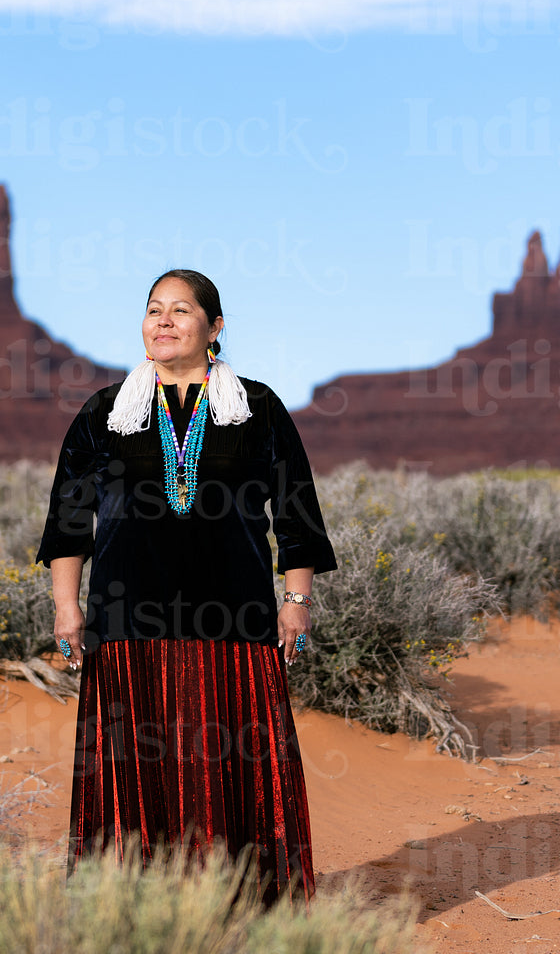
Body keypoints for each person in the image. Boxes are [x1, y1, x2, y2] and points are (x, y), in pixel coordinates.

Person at [34, 268, 338, 905]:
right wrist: (68, 608)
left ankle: (244, 904)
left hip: (233, 619)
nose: (163, 321)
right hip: (126, 622)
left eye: (180, 310)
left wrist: (298, 600)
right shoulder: (103, 413)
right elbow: (68, 521)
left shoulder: (257, 408)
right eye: (153, 310)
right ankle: (131, 907)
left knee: (227, 764)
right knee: (134, 769)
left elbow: (296, 512)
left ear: (214, 327)